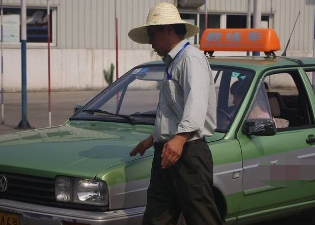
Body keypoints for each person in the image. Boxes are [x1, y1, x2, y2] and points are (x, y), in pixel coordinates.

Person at [128, 3, 222, 225]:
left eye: (152, 34)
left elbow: (196, 103)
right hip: (168, 151)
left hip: (188, 152)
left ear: (167, 29)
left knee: (201, 217)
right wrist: (153, 138)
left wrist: (179, 139)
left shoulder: (191, 58)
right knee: (156, 217)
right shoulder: (174, 62)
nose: (150, 41)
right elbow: (174, 109)